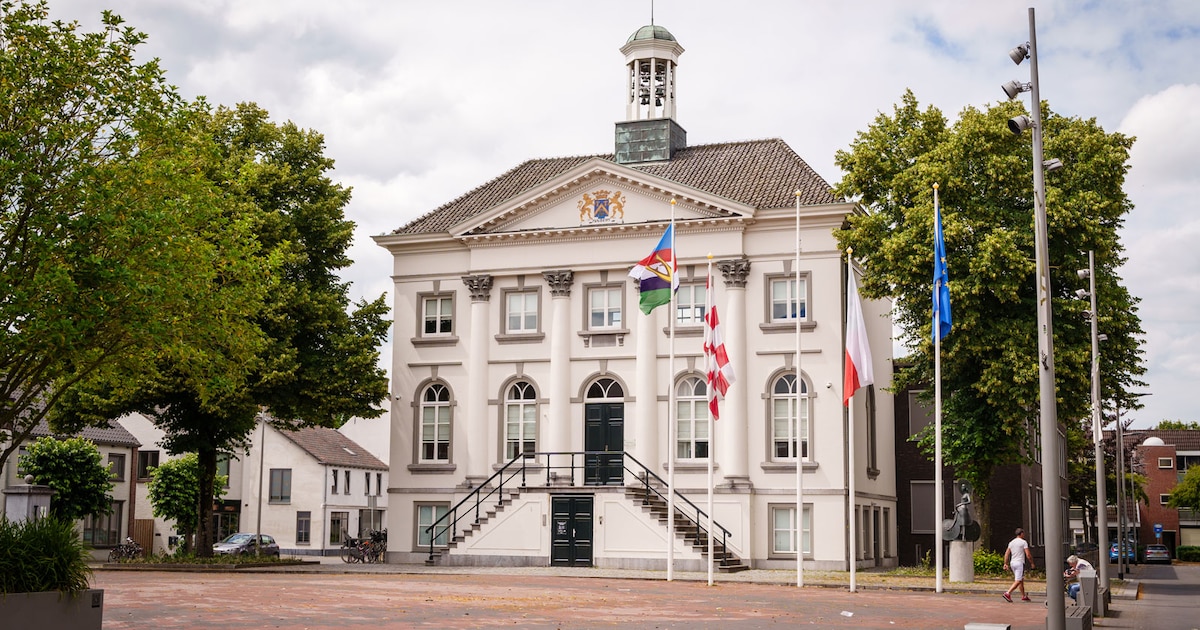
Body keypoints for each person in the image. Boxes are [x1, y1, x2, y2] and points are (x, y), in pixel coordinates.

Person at [1002, 527, 1034, 602]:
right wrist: (1032, 563)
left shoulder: (1011, 542)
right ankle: (1007, 593)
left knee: (1020, 579)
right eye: (1024, 533)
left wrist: (1005, 563)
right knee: (1018, 580)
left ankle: (1023, 596)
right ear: (1021, 534)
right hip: (1019, 563)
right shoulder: (1023, 542)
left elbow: (1006, 554)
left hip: (1013, 563)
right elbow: (1028, 554)